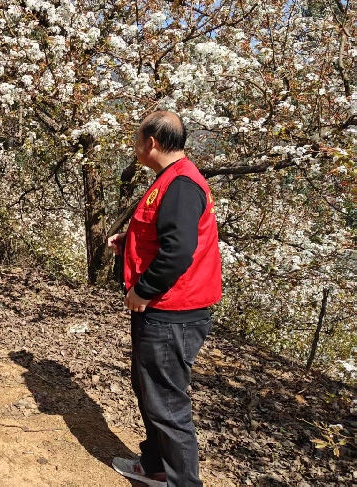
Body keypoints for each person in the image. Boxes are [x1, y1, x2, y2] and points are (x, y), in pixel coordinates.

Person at [107, 111, 222, 487]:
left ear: (151, 142)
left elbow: (178, 252)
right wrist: (130, 243)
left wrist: (143, 290)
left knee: (168, 406)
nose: (134, 147)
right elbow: (164, 234)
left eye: (136, 139)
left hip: (173, 313)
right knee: (150, 391)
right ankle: (155, 466)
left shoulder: (182, 185)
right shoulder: (170, 179)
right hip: (163, 311)